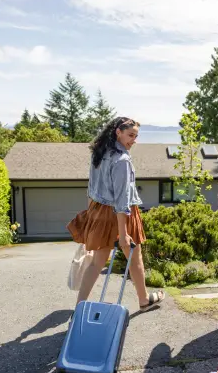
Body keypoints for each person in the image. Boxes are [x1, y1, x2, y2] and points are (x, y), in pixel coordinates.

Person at [67, 117, 165, 312]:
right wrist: (123, 233)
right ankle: (144, 301)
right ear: (118, 132)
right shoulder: (122, 160)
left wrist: (90, 213)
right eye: (130, 135)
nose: (133, 140)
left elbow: (91, 187)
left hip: (99, 210)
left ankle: (79, 308)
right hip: (121, 215)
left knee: (97, 262)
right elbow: (122, 199)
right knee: (134, 259)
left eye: (136, 136)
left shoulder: (99, 153)